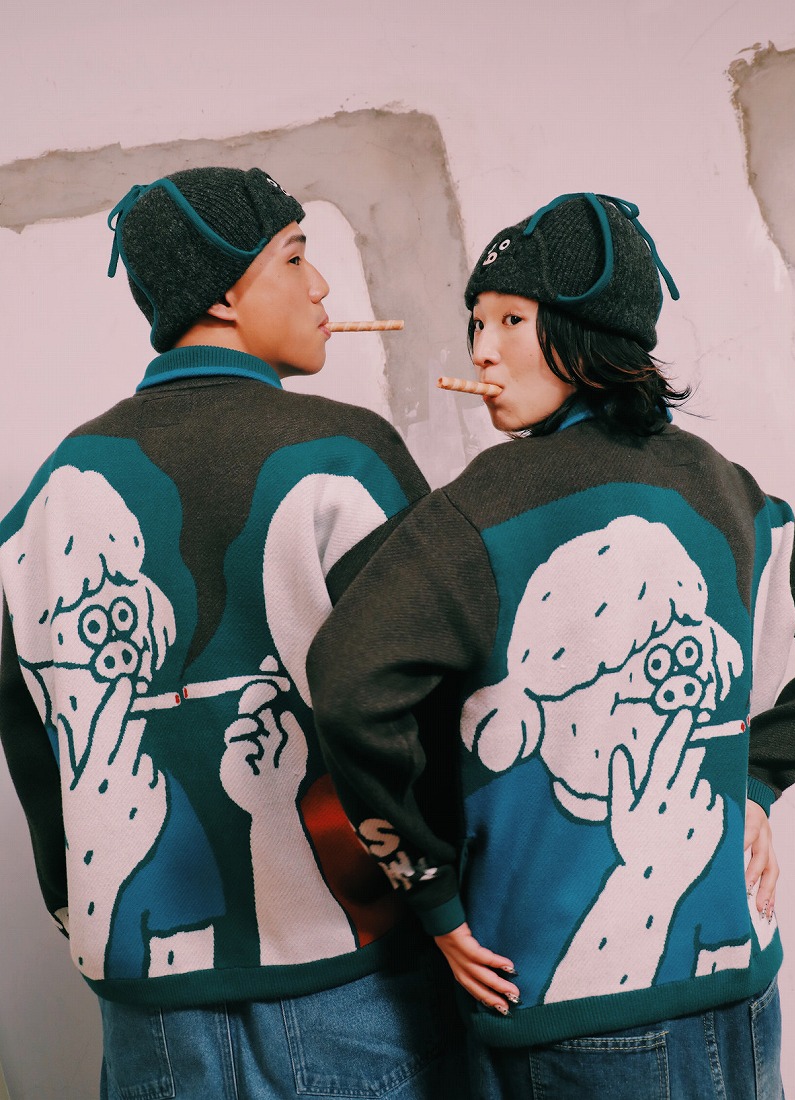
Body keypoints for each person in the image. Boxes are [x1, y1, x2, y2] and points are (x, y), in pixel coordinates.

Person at [305, 191, 795, 1099]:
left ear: (590, 334)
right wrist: (755, 780)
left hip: (561, 1011)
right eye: (476, 321)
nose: (481, 349)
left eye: (510, 319)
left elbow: (348, 688)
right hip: (739, 984)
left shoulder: (481, 508)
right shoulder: (723, 487)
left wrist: (428, 888)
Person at [0, 166, 467, 1099]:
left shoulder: (50, 495)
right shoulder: (342, 457)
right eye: (293, 258)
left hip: (145, 1007)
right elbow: (433, 707)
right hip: (350, 979)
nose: (320, 287)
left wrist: (80, 908)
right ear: (221, 292)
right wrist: (443, 899)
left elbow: (29, 731)